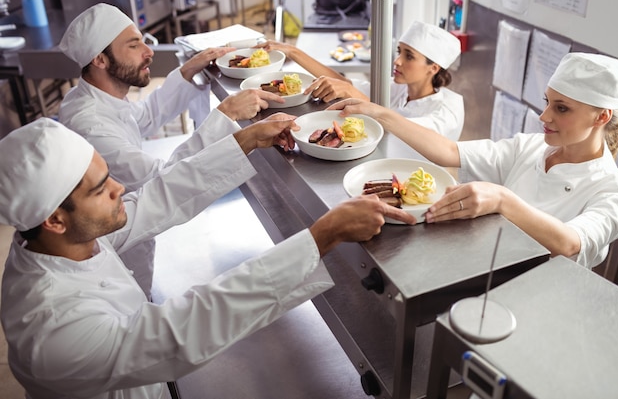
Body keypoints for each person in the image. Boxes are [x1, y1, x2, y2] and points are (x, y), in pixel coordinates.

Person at [0, 117, 415, 399]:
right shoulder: (49, 328)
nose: (119, 187)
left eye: (107, 174)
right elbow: (186, 326)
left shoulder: (62, 239)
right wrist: (323, 235)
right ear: (54, 219)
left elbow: (156, 198)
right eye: (100, 189)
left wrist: (246, 140)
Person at [58, 3, 286, 297]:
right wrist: (226, 115)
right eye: (133, 44)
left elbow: (142, 117)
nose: (148, 51)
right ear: (100, 60)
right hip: (117, 263)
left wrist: (188, 71)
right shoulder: (89, 124)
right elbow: (161, 178)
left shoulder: (98, 98)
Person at [328, 52, 618, 269]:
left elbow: (571, 242)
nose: (544, 116)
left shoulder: (614, 189)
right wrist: (380, 114)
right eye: (547, 102)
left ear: (602, 117)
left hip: (545, 302)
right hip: (488, 270)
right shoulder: (530, 147)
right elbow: (448, 152)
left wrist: (501, 199)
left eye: (561, 109)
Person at [258, 20, 465, 140]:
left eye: (408, 56)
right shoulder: (400, 90)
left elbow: (405, 130)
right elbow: (344, 83)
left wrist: (354, 95)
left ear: (433, 68)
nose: (397, 61)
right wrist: (293, 52)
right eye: (399, 52)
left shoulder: (447, 112)